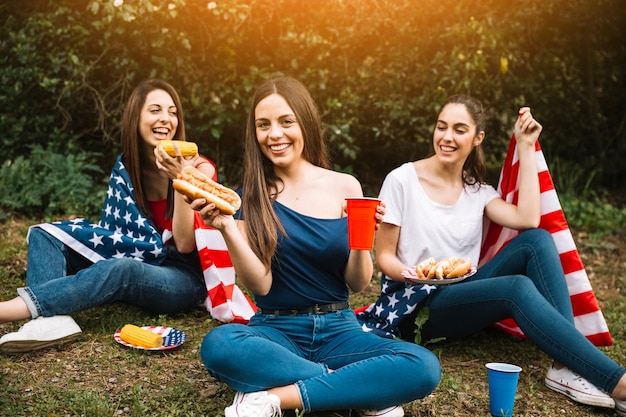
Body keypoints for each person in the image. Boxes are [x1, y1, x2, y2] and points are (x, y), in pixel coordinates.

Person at [357, 95, 626, 415]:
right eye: (441, 127)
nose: (447, 137)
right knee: (515, 287)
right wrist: (414, 273)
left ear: (477, 138)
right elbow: (384, 257)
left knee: (536, 240)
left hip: (463, 294)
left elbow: (528, 219)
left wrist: (525, 145)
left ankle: (564, 366)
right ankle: (617, 382)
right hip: (416, 305)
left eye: (459, 129)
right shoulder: (401, 180)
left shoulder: (478, 191)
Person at [189, 76, 441, 417]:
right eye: (263, 125)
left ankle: (278, 397)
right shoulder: (250, 194)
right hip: (276, 331)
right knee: (219, 345)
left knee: (422, 365)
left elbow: (358, 283)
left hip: (339, 329)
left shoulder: (344, 186)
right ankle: (357, 390)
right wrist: (225, 227)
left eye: (286, 121)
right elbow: (260, 284)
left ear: (305, 123)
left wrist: (360, 236)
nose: (274, 134)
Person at [0, 79, 215, 353]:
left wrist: (182, 178)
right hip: (140, 257)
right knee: (45, 233)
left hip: (181, 277)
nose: (166, 119)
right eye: (155, 110)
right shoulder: (128, 168)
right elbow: (118, 235)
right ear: (135, 118)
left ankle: (11, 311)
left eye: (173, 112)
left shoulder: (199, 169)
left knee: (122, 268)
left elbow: (185, 244)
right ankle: (51, 321)